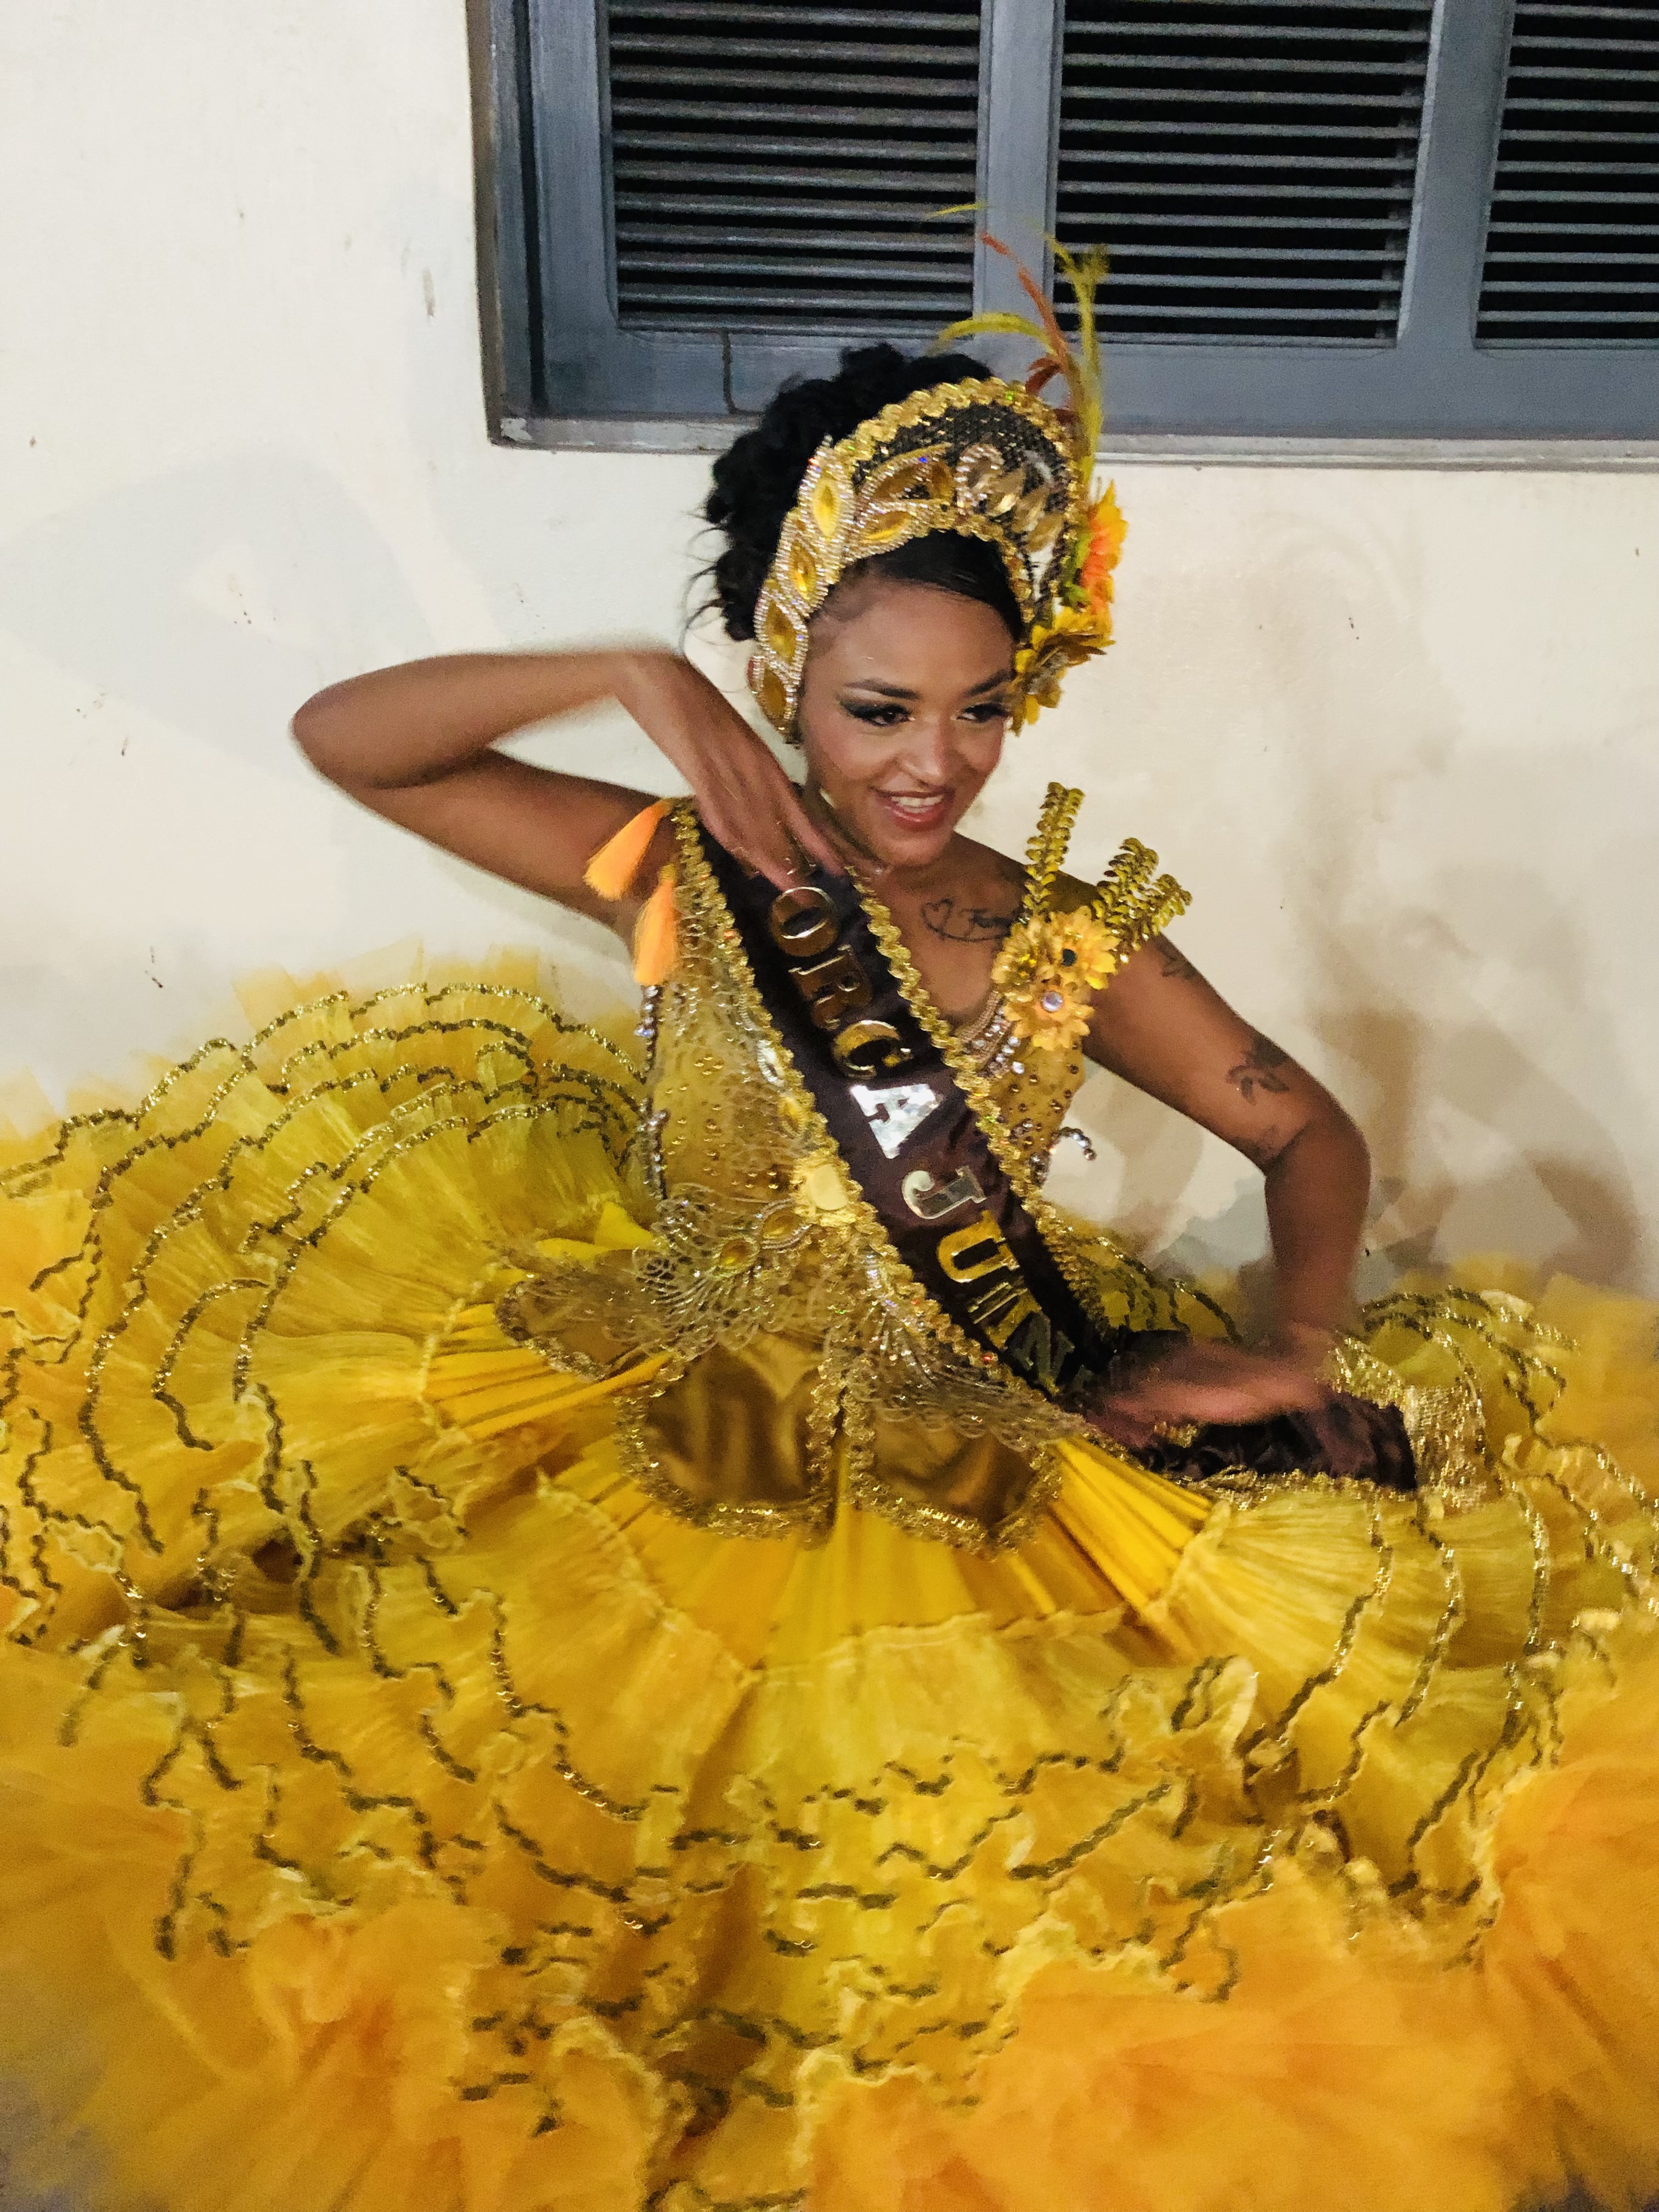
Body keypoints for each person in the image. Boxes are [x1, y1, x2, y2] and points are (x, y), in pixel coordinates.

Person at [2, 280, 1656, 2212]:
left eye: (983, 709)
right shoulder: (681, 872)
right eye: (879, 711)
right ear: (778, 675)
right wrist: (628, 674)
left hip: (990, 1439)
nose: (934, 763)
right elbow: (351, 739)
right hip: (674, 1409)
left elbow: (1306, 1130)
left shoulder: (1057, 937)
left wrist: (1295, 1344)